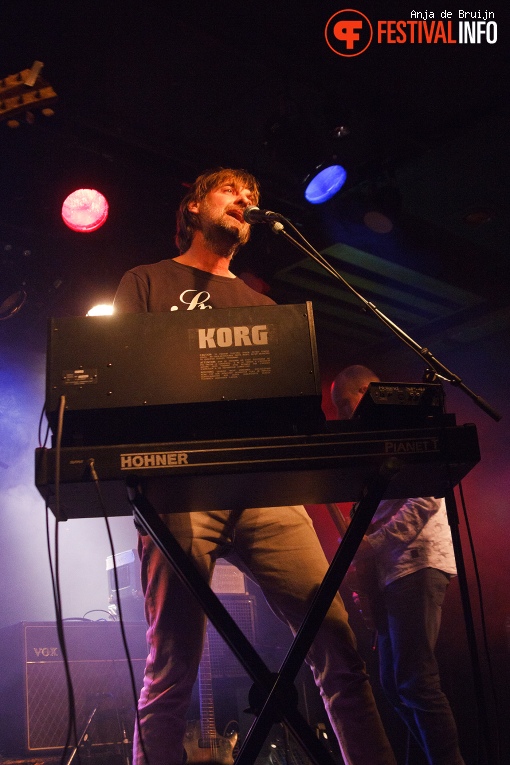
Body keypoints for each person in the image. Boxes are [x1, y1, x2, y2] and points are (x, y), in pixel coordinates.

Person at [114, 168, 397, 765]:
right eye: (230, 192)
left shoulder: (262, 305)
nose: (246, 201)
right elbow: (121, 377)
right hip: (182, 486)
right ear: (192, 208)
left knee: (338, 645)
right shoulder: (145, 282)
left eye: (253, 199)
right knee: (172, 666)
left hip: (266, 491)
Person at [330, 364, 466, 765]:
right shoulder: (375, 445)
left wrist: (370, 545)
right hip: (393, 572)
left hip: (418, 564)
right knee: (394, 684)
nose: (340, 414)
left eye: (344, 402)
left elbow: (426, 499)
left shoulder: (408, 428)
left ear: (368, 390)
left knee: (415, 680)